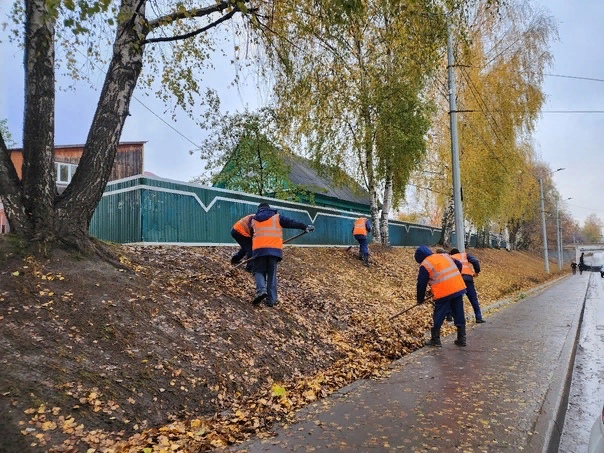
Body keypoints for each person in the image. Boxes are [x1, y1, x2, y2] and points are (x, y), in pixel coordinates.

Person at [250, 202, 315, 307]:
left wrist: (250, 252)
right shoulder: (277, 217)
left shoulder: (253, 220)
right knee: (271, 274)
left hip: (259, 250)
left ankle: (261, 291)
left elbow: (251, 236)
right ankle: (271, 300)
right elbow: (291, 223)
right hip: (274, 250)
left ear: (259, 210)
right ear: (268, 208)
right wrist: (304, 227)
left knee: (258, 271)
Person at [414, 245, 467, 347]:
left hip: (443, 292)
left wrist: (420, 299)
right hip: (457, 287)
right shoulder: (443, 256)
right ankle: (462, 338)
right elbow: (459, 264)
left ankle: (435, 339)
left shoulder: (425, 264)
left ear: (420, 259)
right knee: (458, 312)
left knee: (439, 315)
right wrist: (455, 277)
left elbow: (421, 284)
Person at [450, 248, 485, 324]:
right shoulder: (464, 255)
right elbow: (475, 261)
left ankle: (453, 318)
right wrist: (477, 271)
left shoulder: (450, 258)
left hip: (457, 280)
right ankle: (478, 317)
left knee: (456, 300)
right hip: (468, 278)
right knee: (473, 299)